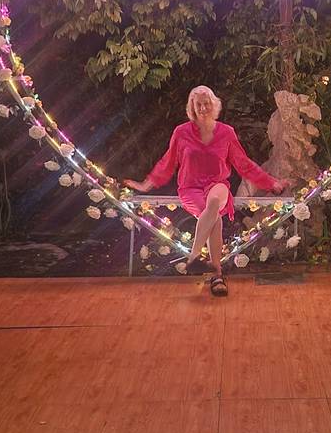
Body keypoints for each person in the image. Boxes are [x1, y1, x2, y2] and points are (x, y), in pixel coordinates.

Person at [123, 85, 290, 297]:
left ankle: (194, 258)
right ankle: (217, 275)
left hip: (217, 186)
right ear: (192, 107)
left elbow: (244, 164)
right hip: (190, 189)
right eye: (198, 104)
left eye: (206, 103)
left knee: (214, 204)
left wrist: (272, 183)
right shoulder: (181, 132)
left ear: (214, 105)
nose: (203, 108)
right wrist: (145, 185)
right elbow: (168, 162)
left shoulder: (226, 132)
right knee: (215, 219)